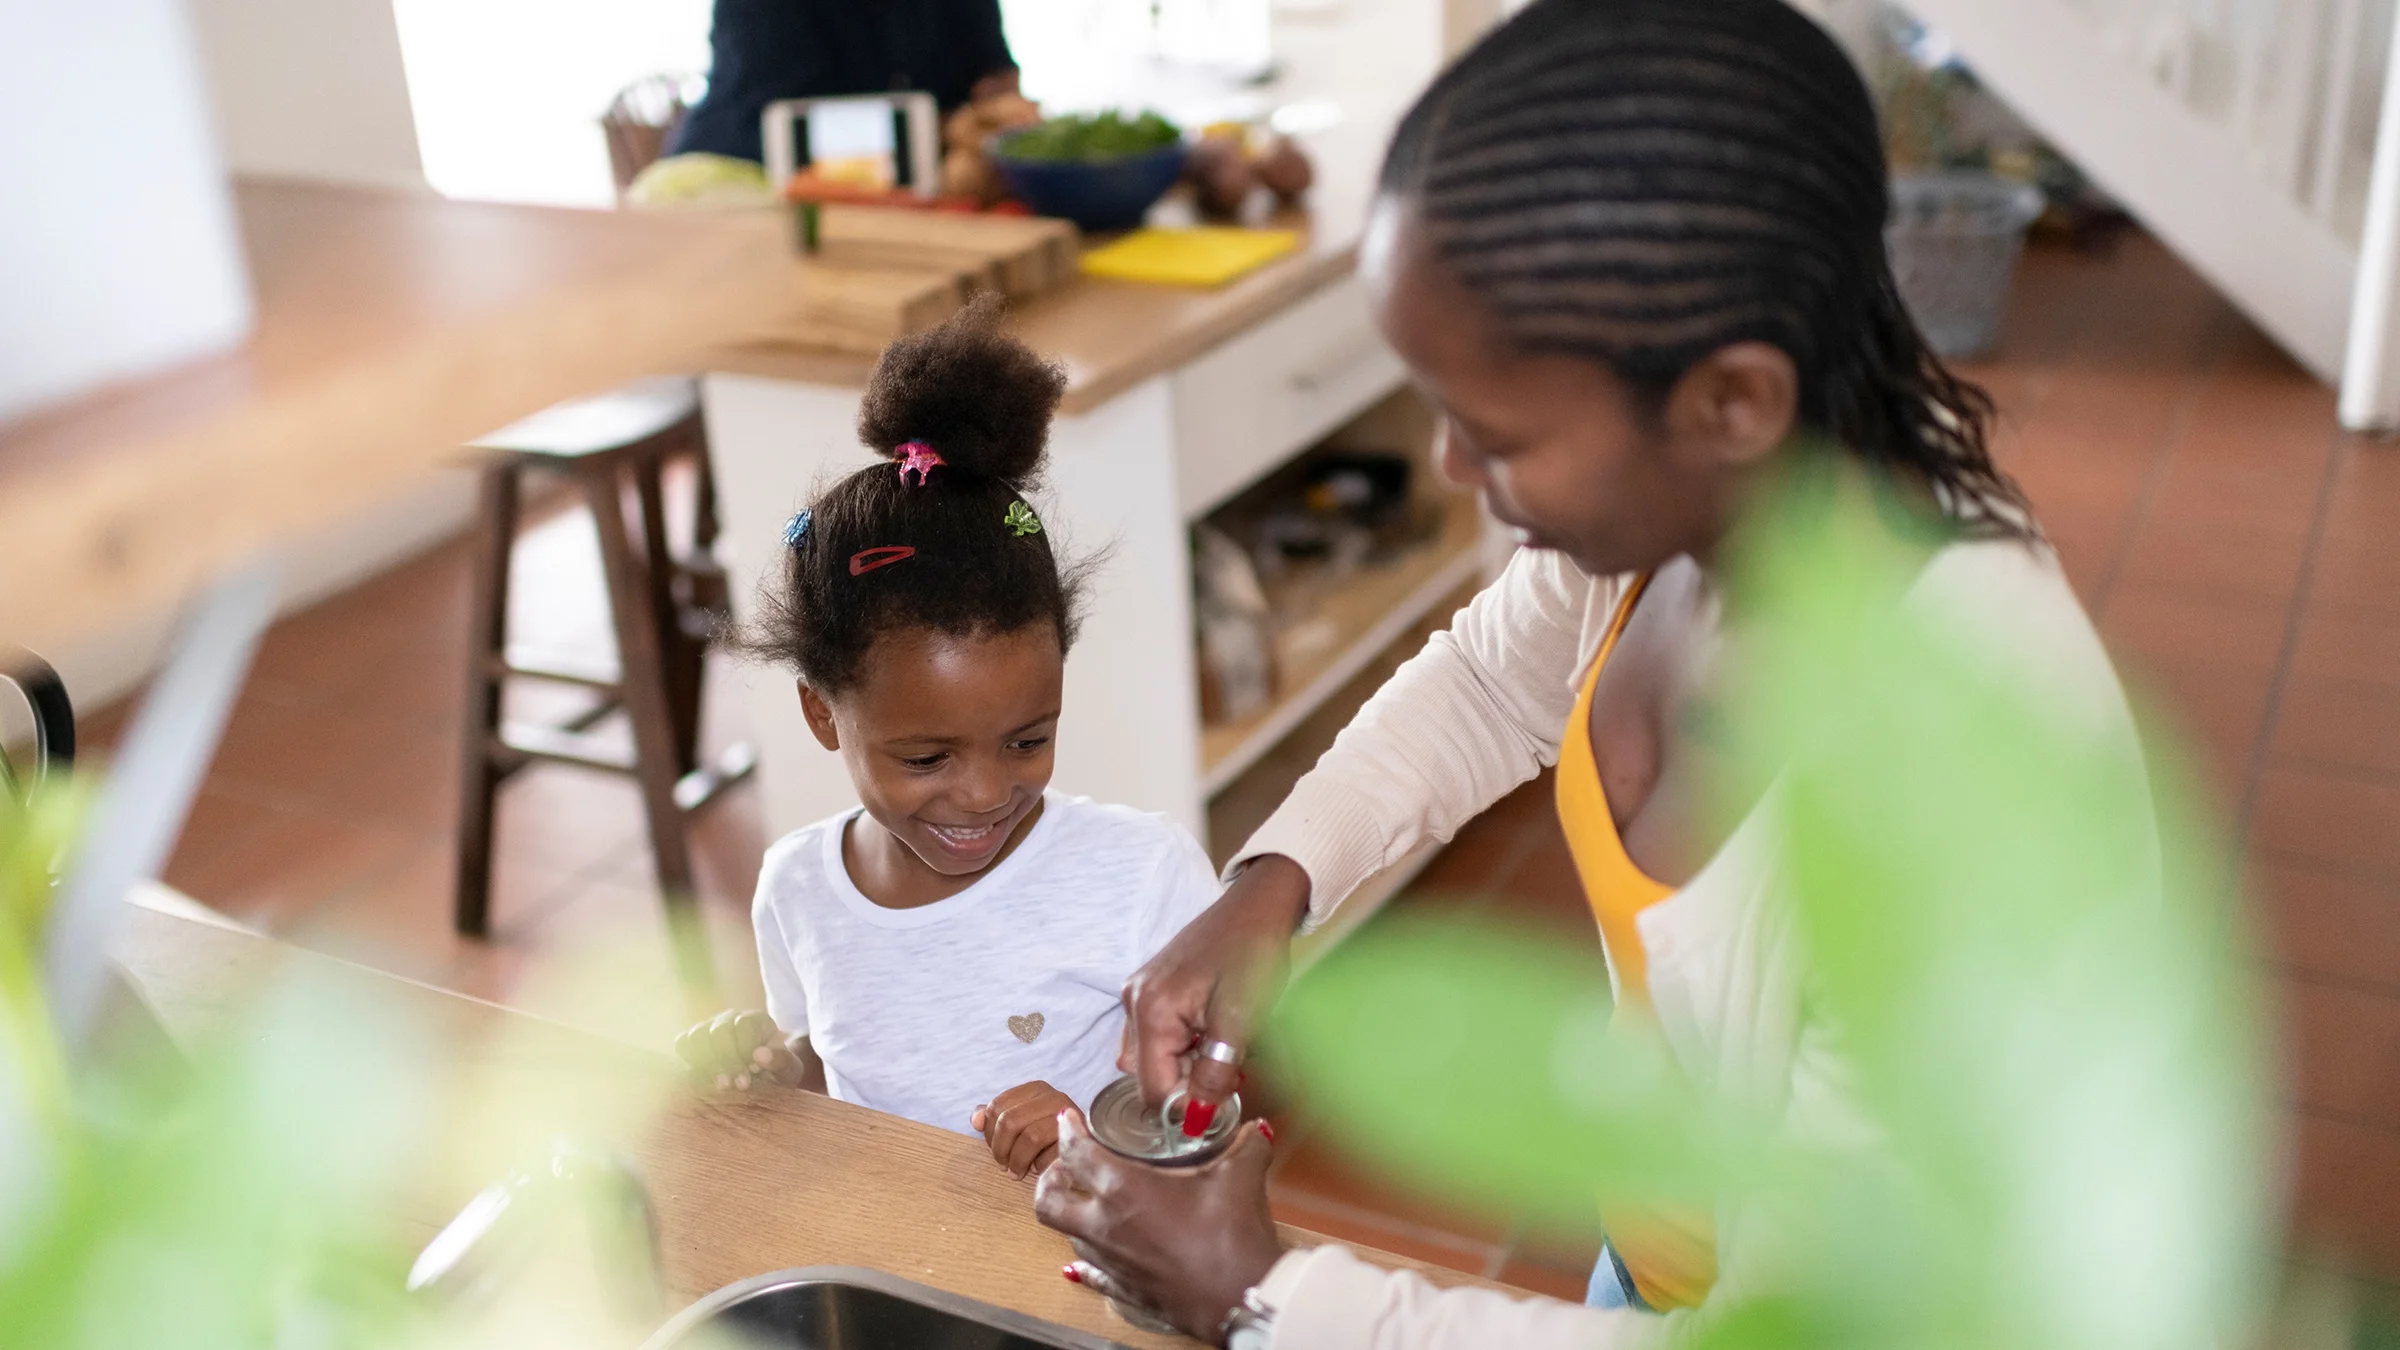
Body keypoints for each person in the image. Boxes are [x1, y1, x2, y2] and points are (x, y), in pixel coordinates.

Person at [1033, 0, 2151, 1343]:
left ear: (1732, 399)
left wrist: (1270, 1297)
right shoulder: (1690, 522)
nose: (1452, 469)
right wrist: (1275, 881)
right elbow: (1490, 684)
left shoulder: (1960, 779)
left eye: (1494, 430)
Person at [676, 299, 1221, 1180]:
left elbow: (1214, 1115)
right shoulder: (797, 890)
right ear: (822, 714)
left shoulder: (1142, 878)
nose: (983, 793)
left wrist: (1098, 1135)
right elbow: (840, 1069)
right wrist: (778, 1076)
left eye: (1027, 739)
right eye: (926, 757)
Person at [667, 0, 1021, 165]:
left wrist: (1006, 116)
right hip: (740, 173)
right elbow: (799, 135)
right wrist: (954, 129)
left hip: (907, 192)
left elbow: (994, 76)